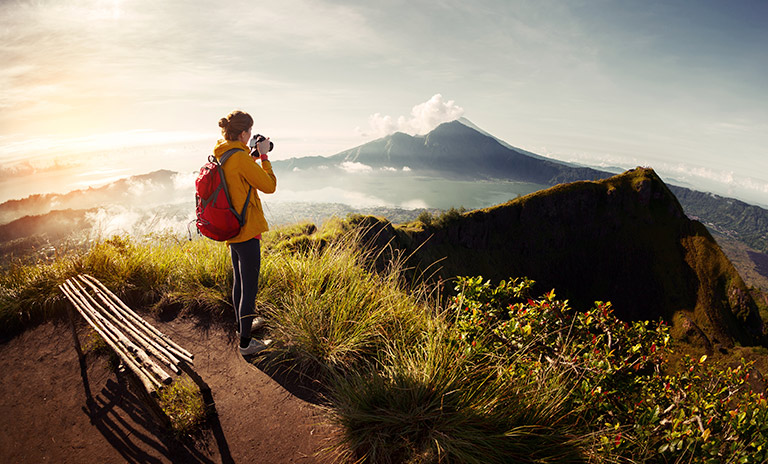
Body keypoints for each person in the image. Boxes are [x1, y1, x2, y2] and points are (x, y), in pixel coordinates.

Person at [215, 110, 277, 355]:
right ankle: (246, 344)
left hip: (233, 228)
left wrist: (250, 156)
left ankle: (243, 325)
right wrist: (263, 156)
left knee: (239, 282)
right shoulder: (239, 158)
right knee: (249, 286)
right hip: (247, 229)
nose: (251, 135)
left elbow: (237, 175)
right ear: (242, 133)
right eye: (249, 132)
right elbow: (269, 186)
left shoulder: (225, 153)